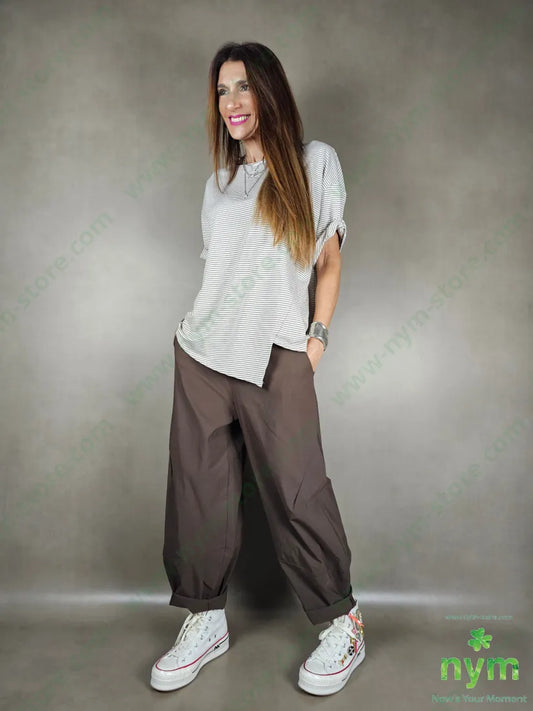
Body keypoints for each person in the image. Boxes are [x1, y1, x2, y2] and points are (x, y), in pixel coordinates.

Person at [150, 41, 365, 697]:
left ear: (268, 90)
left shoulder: (312, 161)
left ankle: (343, 623)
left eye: (242, 86)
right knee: (199, 492)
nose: (231, 102)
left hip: (276, 353)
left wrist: (315, 339)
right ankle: (205, 617)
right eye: (221, 91)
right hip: (203, 355)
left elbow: (328, 260)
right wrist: (190, 336)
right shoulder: (217, 185)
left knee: (297, 489)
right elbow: (221, 274)